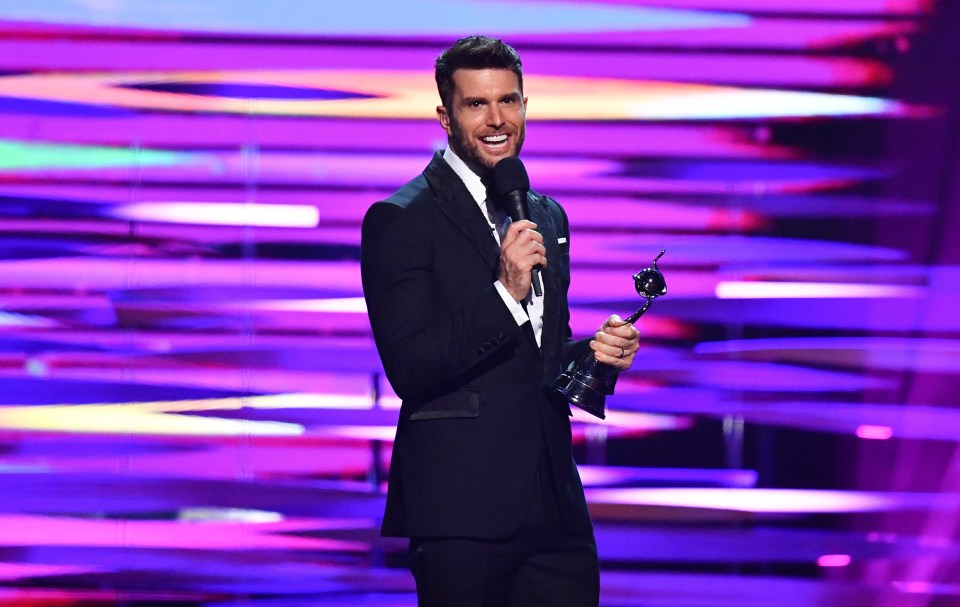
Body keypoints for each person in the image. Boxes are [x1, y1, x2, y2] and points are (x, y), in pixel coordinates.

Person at [360, 35, 639, 607]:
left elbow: (540, 356)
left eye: (508, 101)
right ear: (445, 116)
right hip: (461, 511)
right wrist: (505, 291)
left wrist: (596, 355)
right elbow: (411, 367)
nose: (497, 119)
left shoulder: (544, 214)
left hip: (555, 507)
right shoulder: (400, 219)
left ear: (526, 107)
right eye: (476, 104)